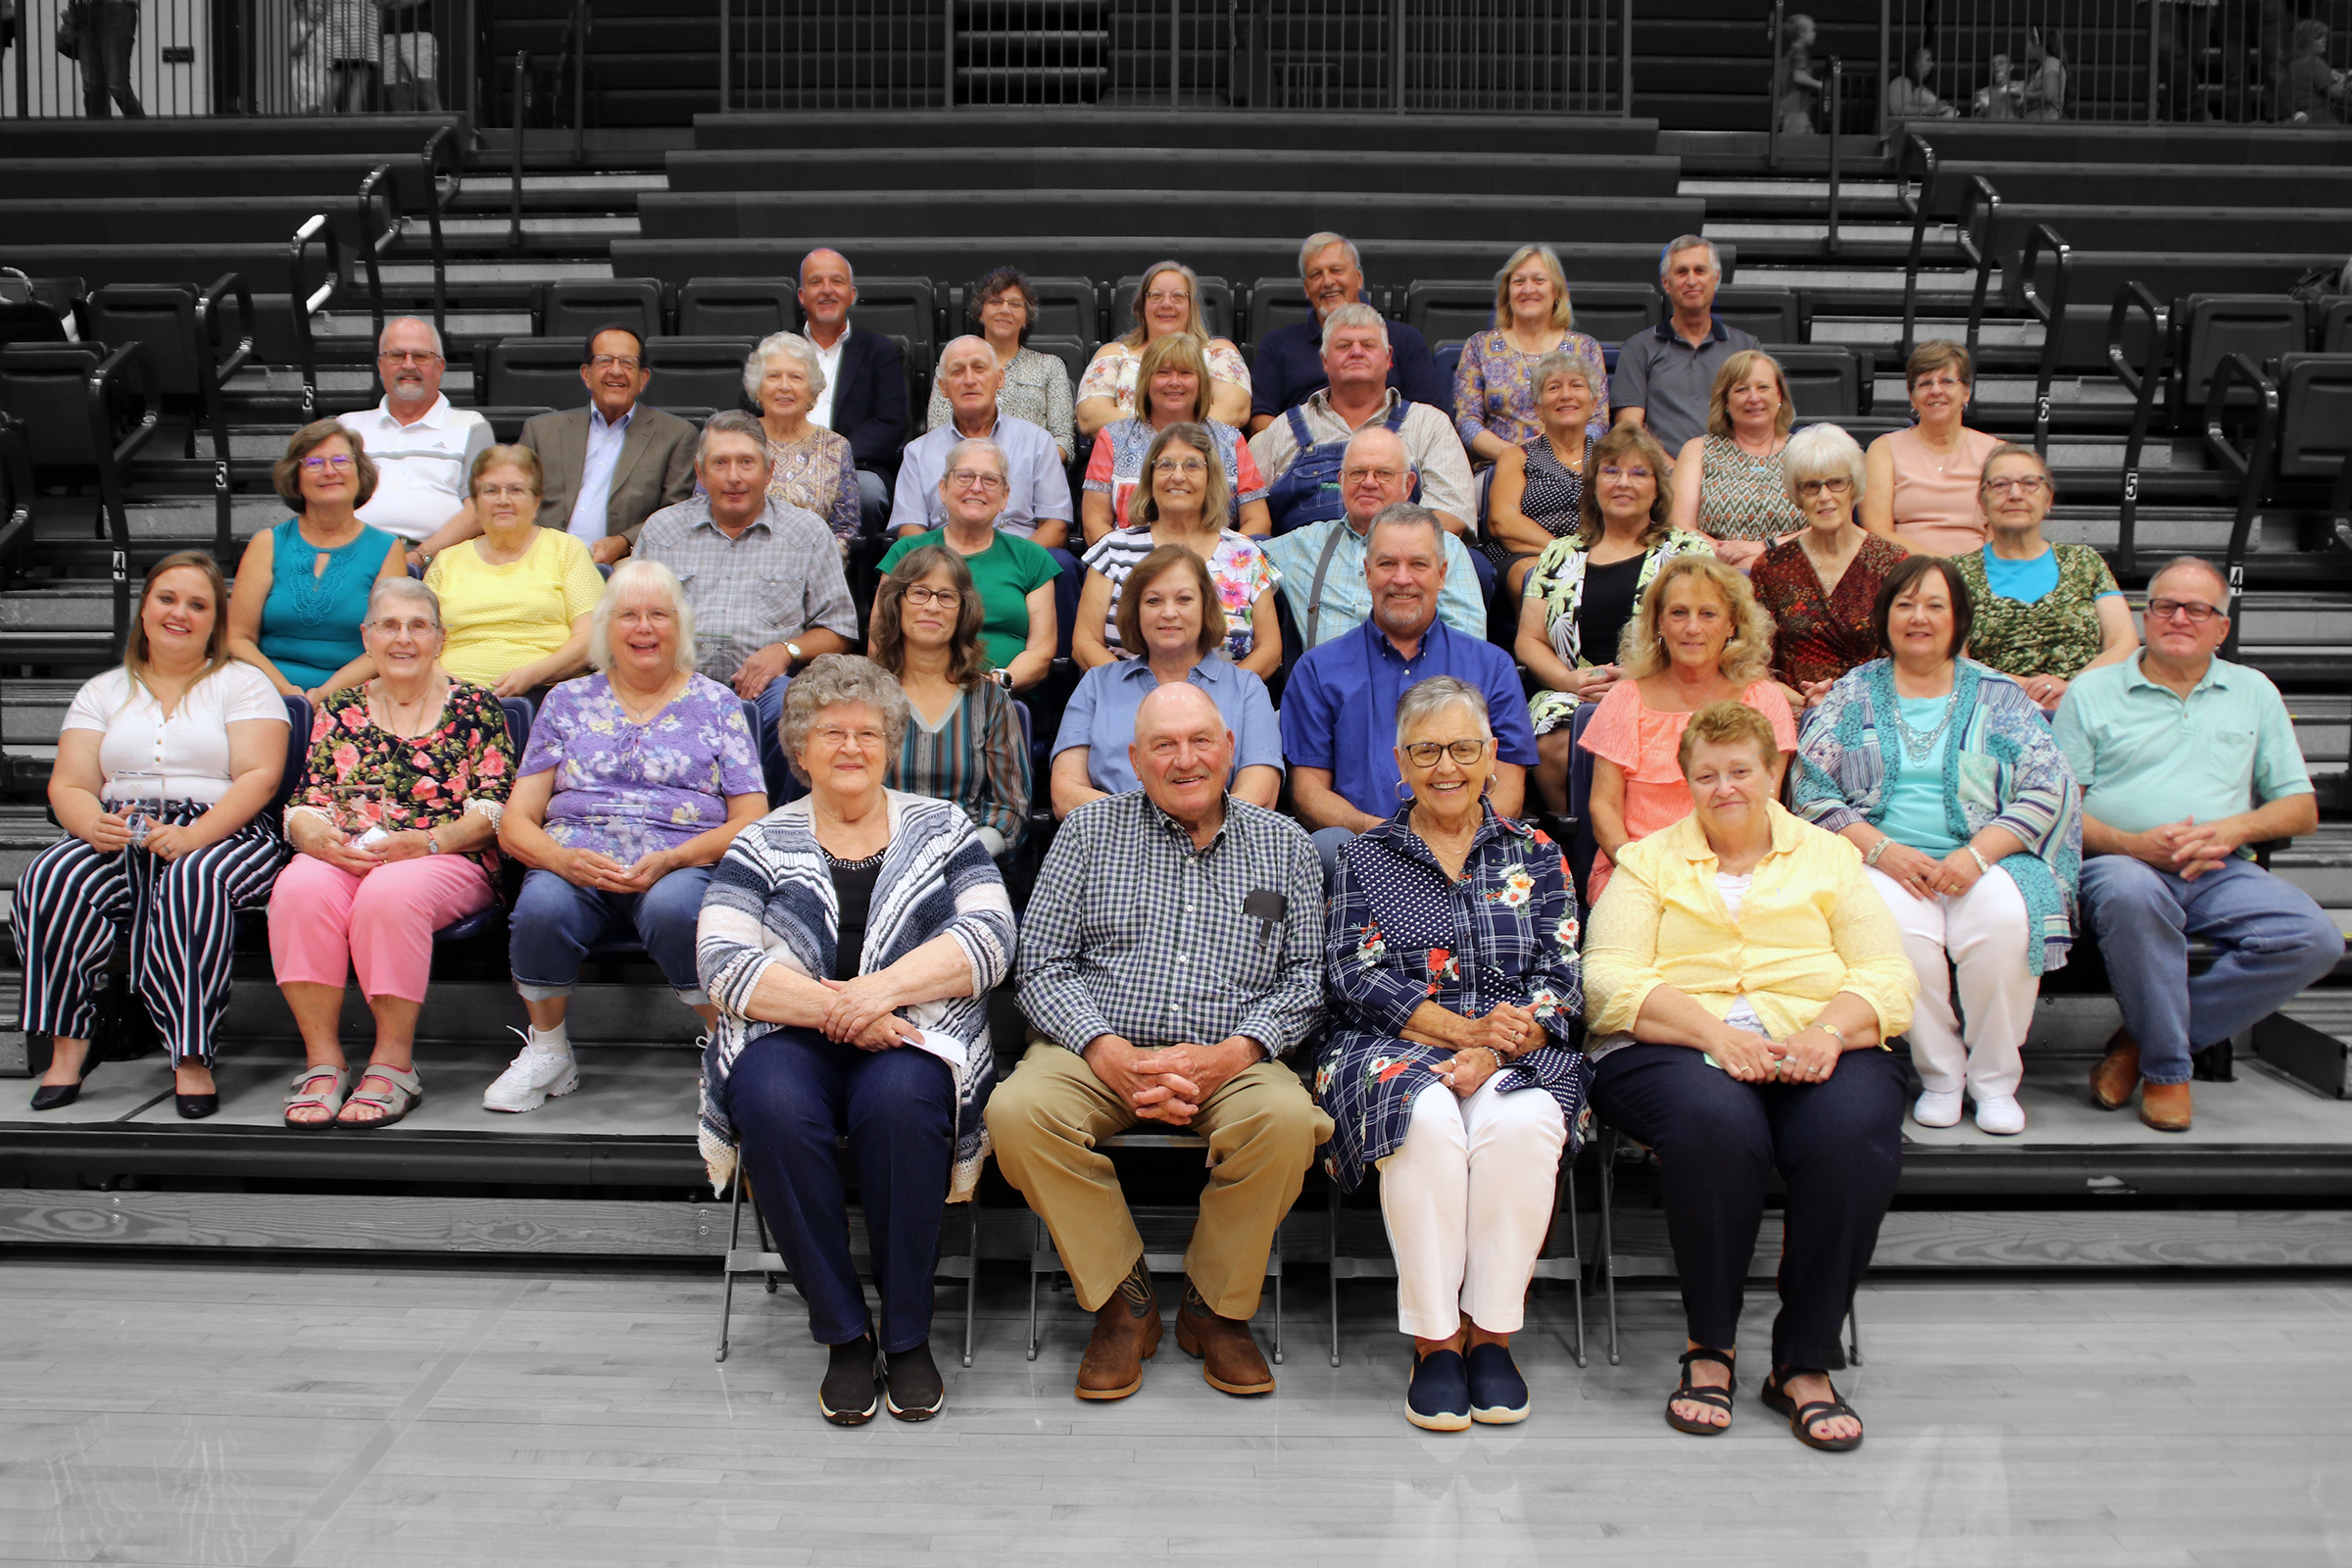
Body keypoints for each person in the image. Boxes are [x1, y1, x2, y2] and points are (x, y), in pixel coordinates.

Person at [1582, 701, 1916, 1451]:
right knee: (1714, 1125)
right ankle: (1711, 1346)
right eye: (1706, 774)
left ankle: (1803, 1361)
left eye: (1741, 771)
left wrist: (1828, 1031)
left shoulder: (1833, 859)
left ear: (1775, 773)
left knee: (1854, 1135)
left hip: (1818, 1037)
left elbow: (1889, 978)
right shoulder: (1646, 861)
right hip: (1674, 1044)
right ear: (1686, 781)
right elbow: (1606, 981)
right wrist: (1713, 1035)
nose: (1724, 786)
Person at [697, 656, 1016, 1425]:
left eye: (867, 732)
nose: (850, 746)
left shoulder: (941, 829)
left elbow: (991, 934)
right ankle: (843, 1330)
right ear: (799, 748)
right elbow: (719, 959)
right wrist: (839, 1010)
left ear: (890, 744)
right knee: (770, 1105)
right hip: (787, 1032)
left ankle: (906, 1334)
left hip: (915, 1030)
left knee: (905, 1108)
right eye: (830, 731)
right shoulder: (762, 839)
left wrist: (880, 995)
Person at [991, 681, 1329, 1402]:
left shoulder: (1286, 846)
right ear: (1135, 760)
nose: (1186, 760)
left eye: (1201, 741)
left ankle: (1216, 1309)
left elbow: (1306, 981)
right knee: (1017, 1114)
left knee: (1289, 1120)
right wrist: (1107, 1050)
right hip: (1095, 1050)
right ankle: (1124, 1302)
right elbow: (1040, 965)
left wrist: (1234, 1055)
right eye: (1164, 746)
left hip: (1232, 1055)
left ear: (1230, 749)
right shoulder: (1086, 834)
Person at [1318, 678, 1589, 1432]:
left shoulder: (1538, 854)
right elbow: (1353, 974)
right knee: (1427, 1120)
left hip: (1517, 1047)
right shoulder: (1364, 857)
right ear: (1399, 762)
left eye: (1463, 748)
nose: (1447, 766)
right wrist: (1459, 1035)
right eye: (1427, 750)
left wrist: (1497, 1050)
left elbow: (1561, 975)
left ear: (1492, 756)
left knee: (1524, 1120)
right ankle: (1436, 1342)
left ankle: (1493, 1335)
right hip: (1387, 1047)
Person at [1792, 555, 2082, 1136]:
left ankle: (1995, 1080)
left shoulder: (2000, 696)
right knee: (1895, 931)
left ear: (1959, 619)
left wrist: (1976, 856)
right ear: (1885, 616)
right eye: (1905, 604)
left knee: (2005, 921)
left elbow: (2049, 786)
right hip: (1884, 861)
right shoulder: (1852, 694)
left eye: (1934, 605)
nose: (1918, 618)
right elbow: (1810, 789)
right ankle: (1943, 1074)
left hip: (1987, 859)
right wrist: (1883, 852)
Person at [2057, 556, 2343, 1133]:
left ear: (2222, 627)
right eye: (2166, 605)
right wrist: (2135, 845)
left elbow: (2301, 808)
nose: (2180, 618)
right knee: (2134, 895)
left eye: (2198, 609)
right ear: (2145, 616)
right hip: (2118, 865)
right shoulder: (2092, 692)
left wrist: (2231, 829)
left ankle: (2139, 1043)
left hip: (2218, 868)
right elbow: (2059, 812)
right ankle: (2166, 1072)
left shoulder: (2252, 691)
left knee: (2315, 940)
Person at [18, 553, 288, 1117]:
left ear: (216, 620)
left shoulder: (244, 684)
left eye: (198, 604)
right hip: (119, 829)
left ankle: (190, 1055)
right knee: (50, 877)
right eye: (167, 599)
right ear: (145, 609)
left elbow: (260, 779)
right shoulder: (103, 689)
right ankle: (69, 1046)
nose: (180, 613)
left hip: (225, 832)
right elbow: (69, 782)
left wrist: (197, 836)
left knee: (192, 880)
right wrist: (88, 821)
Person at [492, 561, 765, 1110]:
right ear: (605, 629)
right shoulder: (564, 702)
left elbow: (753, 818)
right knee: (541, 905)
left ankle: (726, 1043)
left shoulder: (718, 704)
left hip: (682, 861)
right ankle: (549, 1052)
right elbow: (518, 819)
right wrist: (562, 860)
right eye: (629, 615)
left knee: (676, 910)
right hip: (577, 860)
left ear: (680, 628)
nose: (644, 627)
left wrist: (676, 857)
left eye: (659, 614)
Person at [269, 579, 516, 1129]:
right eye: (389, 625)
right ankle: (323, 1063)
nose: (403, 638)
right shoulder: (340, 708)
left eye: (417, 625)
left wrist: (428, 842)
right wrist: (315, 838)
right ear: (367, 637)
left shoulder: (476, 706)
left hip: (447, 857)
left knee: (389, 893)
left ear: (440, 638)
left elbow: (493, 811)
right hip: (352, 853)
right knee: (298, 888)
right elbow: (308, 802)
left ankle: (392, 1065)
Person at [1281, 505, 1536, 879]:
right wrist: (1382, 833)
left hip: (1469, 857)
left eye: (1418, 564)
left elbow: (1510, 785)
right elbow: (1308, 792)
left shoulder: (1491, 666)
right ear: (1367, 573)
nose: (1402, 579)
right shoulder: (1318, 670)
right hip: (1364, 854)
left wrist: (1454, 839)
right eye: (1387, 564)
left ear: (1442, 574)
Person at [639, 412, 859, 788]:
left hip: (763, 693)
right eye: (720, 463)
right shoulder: (662, 531)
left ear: (769, 470)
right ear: (700, 472)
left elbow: (839, 630)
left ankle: (764, 822)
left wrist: (784, 650)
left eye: (746, 462)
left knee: (791, 707)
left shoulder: (806, 533)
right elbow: (631, 620)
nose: (734, 476)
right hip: (674, 686)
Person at [1518, 425, 1719, 815]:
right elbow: (1529, 639)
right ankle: (1579, 844)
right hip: (1577, 690)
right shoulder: (1560, 553)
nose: (1623, 482)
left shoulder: (1689, 552)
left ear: (1658, 488)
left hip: (1666, 686)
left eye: (1639, 472)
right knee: (1554, 738)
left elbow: (1709, 635)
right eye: (1611, 471)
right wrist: (1568, 680)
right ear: (1594, 484)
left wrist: (1641, 680)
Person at [1580, 555, 1798, 902]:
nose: (1692, 628)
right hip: (1640, 870)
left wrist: (1720, 876)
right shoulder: (1625, 697)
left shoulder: (1765, 699)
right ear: (1659, 623)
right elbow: (1603, 807)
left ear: (1732, 624)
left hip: (1737, 869)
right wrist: (1636, 869)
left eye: (1708, 614)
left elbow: (1765, 805)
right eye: (1679, 613)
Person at [1053, 543, 1282, 818]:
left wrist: (1196, 830)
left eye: (1184, 599)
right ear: (1135, 611)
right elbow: (1065, 793)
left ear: (1206, 607)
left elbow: (1261, 794)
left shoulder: (1247, 689)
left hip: (1219, 851)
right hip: (1114, 849)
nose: (1169, 612)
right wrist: (1152, 829)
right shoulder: (1096, 685)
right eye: (1153, 601)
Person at [1249, 305, 1477, 541]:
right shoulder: (1283, 428)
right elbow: (1249, 513)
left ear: (1389, 358)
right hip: (1300, 570)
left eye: (1368, 345)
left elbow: (1452, 514)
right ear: (1324, 360)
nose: (1356, 352)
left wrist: (1384, 554)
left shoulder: (1429, 424)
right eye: (1344, 346)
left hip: (1400, 564)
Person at [1074, 422, 1281, 681]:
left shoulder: (1247, 553)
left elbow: (1270, 650)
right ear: (1149, 478)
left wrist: (1220, 694)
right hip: (1129, 701)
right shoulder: (1112, 549)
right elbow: (1085, 643)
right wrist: (1144, 691)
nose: (1178, 476)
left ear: (1211, 477)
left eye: (1192, 465)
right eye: (1166, 465)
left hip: (1224, 705)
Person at [226, 420, 407, 703]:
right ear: (295, 478)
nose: (329, 471)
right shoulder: (267, 543)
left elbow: (384, 643)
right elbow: (237, 638)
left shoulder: (388, 549)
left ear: (360, 472)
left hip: (355, 696)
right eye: (313, 462)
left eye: (341, 460)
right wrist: (285, 692)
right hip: (264, 691)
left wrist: (324, 694)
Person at [1263, 426, 1488, 652]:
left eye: (1384, 473)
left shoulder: (1446, 548)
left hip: (1420, 682)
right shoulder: (1304, 544)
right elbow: (1239, 557)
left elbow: (1469, 646)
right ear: (1341, 481)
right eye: (1358, 473)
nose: (1369, 483)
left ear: (1408, 484)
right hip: (1331, 684)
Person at [1949, 444, 2137, 712]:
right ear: (1982, 502)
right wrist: (2026, 690)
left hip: (2087, 708)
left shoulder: (2085, 561)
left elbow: (2124, 643)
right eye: (2001, 484)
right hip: (1995, 713)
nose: (2015, 494)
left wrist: (2072, 687)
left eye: (2029, 483)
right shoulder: (1956, 573)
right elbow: (1955, 661)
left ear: (2048, 499)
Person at [867, 548, 1030, 857]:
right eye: (919, 593)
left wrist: (960, 855)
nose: (932, 606)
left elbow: (1009, 808)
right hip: (875, 859)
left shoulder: (989, 699)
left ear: (963, 611)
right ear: (896, 603)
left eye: (946, 597)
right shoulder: (864, 694)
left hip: (965, 861)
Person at [877, 437, 1059, 691]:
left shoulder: (1031, 557)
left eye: (990, 480)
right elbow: (880, 640)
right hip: (915, 694)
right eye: (964, 476)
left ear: (1005, 496)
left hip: (1003, 700)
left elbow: (1040, 653)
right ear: (942, 488)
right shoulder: (906, 552)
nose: (976, 487)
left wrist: (990, 685)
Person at [1748, 423, 1910, 707]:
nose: (1825, 496)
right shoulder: (1770, 568)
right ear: (1797, 495)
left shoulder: (1891, 561)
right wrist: (1804, 702)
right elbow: (1755, 665)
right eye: (1811, 486)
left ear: (1854, 486)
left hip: (1874, 709)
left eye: (1836, 482)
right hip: (1793, 710)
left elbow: (1905, 657)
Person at [423, 447, 604, 697]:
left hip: (544, 695)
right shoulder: (447, 560)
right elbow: (417, 639)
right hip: (451, 701)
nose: (503, 500)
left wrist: (532, 675)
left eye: (516, 489)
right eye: (490, 490)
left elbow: (591, 636)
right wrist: (445, 682)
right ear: (475, 502)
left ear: (537, 501)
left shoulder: (566, 550)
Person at [516, 326, 699, 567]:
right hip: (540, 559)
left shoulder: (676, 435)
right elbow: (515, 496)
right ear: (586, 374)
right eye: (604, 361)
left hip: (620, 563)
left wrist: (623, 542)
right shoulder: (540, 431)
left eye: (627, 362)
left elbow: (675, 513)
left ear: (643, 378)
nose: (616, 371)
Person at [1248, 232, 1448, 435]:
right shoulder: (1276, 344)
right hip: (1305, 455)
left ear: (1358, 278)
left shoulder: (1406, 339)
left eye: (1336, 270)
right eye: (1316, 275)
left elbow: (1429, 416)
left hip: (1390, 452)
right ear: (1307, 289)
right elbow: (1261, 420)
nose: (1327, 281)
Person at [1080, 332, 1271, 542]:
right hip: (1129, 564)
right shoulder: (1112, 437)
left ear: (1201, 382)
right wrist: (1121, 560)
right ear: (1146, 380)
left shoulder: (1231, 439)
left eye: (1185, 373)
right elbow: (1094, 521)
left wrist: (1227, 561)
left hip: (1216, 566)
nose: (1174, 382)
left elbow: (1257, 519)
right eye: (1163, 373)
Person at [890, 337, 1072, 549]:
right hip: (945, 565)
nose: (969, 380)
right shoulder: (917, 453)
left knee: (1064, 565)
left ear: (1000, 379)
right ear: (943, 388)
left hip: (1019, 562)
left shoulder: (1037, 442)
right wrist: (948, 571)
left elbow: (1055, 526)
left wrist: (1007, 566)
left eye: (979, 368)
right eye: (957, 371)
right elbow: (910, 531)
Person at [344, 318, 491, 562]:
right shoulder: (347, 426)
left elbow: (480, 510)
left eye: (421, 356)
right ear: (381, 365)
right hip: (354, 558)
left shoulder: (471, 425)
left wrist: (420, 556)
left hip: (440, 562)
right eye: (397, 356)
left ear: (441, 366)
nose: (408, 365)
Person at [1452, 244, 1612, 466]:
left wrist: (1560, 454)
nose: (1528, 289)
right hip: (1500, 464)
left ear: (1556, 291)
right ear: (1507, 294)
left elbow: (1599, 421)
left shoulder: (1585, 348)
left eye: (1539, 280)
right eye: (1519, 282)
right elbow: (1467, 422)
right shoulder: (1480, 346)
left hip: (1572, 464)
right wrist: (1516, 454)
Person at [1612, 238, 1763, 453]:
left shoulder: (1746, 347)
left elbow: (1762, 422)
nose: (1692, 280)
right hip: (1663, 478)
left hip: (1732, 475)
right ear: (1666, 283)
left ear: (1716, 277)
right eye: (1682, 272)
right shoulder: (1638, 348)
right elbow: (1629, 430)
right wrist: (1674, 471)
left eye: (1700, 270)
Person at [797, 248, 907, 533]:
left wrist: (832, 459)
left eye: (836, 281)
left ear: (851, 293)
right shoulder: (779, 348)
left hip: (856, 466)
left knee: (868, 495)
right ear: (801, 295)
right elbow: (753, 412)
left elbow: (890, 422)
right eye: (816, 282)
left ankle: (861, 576)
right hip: (786, 461)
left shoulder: (880, 351)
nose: (826, 291)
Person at [1076, 262, 1251, 438]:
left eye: (1177, 296)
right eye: (1156, 296)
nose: (1166, 303)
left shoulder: (1218, 351)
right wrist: (1153, 432)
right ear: (1142, 305)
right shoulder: (1113, 353)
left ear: (1192, 306)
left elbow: (1235, 411)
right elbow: (1089, 418)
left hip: (1202, 452)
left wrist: (1176, 436)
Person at [1667, 351, 1808, 570]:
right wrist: (1724, 555)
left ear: (1780, 396)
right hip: (1714, 571)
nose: (1754, 397)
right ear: (1725, 401)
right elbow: (1679, 524)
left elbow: (1827, 523)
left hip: (1794, 570)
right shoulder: (1699, 450)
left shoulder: (1806, 450)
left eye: (1763, 387)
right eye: (1741, 389)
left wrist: (1764, 548)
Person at [1860, 341, 2002, 558]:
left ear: (1966, 392)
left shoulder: (1998, 454)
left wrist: (1971, 576)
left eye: (1947, 381)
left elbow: (2002, 534)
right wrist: (1941, 568)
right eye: (1925, 384)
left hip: (1976, 580)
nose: (1936, 390)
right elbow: (1877, 533)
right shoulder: (1883, 449)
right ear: (1912, 397)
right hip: (1905, 575)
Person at [926, 268, 1076, 463]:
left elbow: (1063, 440)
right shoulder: (954, 365)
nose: (1005, 310)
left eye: (1015, 304)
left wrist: (1029, 468)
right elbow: (937, 431)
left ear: (1026, 318)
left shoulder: (1050, 366)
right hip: (962, 472)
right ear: (980, 313)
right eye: (995, 302)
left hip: (1031, 471)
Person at [1483, 352, 1599, 596]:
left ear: (1594, 403)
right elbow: (1503, 521)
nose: (1566, 395)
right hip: (1528, 556)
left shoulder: (1608, 457)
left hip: (1600, 554)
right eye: (1554, 388)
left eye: (1576, 385)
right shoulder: (1517, 456)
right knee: (1541, 574)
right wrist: (1567, 555)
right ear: (1538, 408)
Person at [744, 331, 861, 544]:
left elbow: (845, 529)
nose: (784, 386)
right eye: (773, 376)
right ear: (758, 389)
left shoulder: (836, 447)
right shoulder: (734, 439)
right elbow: (704, 507)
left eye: (796, 377)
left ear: (812, 391)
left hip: (810, 567)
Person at [69, 0, 142, 117]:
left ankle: (143, 132)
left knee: (117, 86)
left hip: (115, 7)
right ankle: (98, 132)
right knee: (92, 87)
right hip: (85, 10)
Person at [2283, 20, 2346, 122]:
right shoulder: (2315, 62)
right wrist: (2345, 79)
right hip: (2322, 119)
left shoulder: (2293, 63)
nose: (2324, 40)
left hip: (2302, 117)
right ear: (2305, 40)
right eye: (2318, 37)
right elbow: (2337, 93)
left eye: (2325, 37)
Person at [1777, 13, 1823, 132]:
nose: (1815, 33)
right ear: (1802, 33)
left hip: (1791, 111)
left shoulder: (1788, 55)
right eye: (1812, 30)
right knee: (1797, 149)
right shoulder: (1800, 53)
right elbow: (1799, 76)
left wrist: (1780, 106)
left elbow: (1772, 84)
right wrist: (1820, 84)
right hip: (1797, 112)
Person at [1887, 43, 1959, 117]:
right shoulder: (1901, 82)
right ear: (1915, 62)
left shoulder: (1919, 85)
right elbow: (1898, 109)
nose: (1932, 64)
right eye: (1928, 60)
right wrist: (1927, 110)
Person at [2020, 26, 2067, 120]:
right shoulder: (2040, 68)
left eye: (2027, 43)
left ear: (2036, 43)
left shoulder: (2052, 63)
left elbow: (2049, 94)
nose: (2025, 48)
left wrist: (2025, 95)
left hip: (2047, 124)